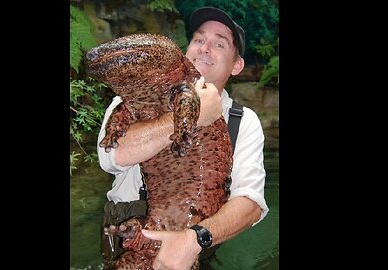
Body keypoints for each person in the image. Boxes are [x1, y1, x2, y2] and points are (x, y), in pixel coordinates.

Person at [97, 6, 269, 270]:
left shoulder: (244, 121)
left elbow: (250, 205)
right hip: (125, 238)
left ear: (237, 65)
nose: (204, 47)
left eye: (219, 44)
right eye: (198, 39)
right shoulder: (132, 97)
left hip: (193, 248)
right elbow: (111, 156)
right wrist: (194, 116)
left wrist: (194, 240)